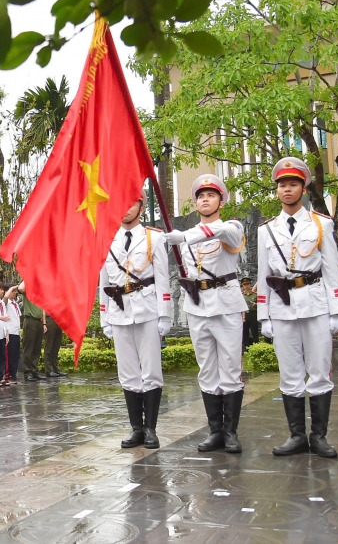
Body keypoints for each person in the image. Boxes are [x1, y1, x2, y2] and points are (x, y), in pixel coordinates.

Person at [256, 157, 338, 458]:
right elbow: (263, 276)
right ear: (277, 191)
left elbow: (332, 268)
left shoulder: (322, 223)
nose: (287, 190)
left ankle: (319, 437)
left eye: (293, 184)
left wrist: (337, 310)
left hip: (316, 303)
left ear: (303, 188)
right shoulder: (266, 230)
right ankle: (296, 436)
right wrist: (263, 315)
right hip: (282, 308)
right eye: (282, 185)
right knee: (289, 373)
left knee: (319, 371)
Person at [166, 175, 247, 454]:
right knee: (207, 370)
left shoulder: (231, 227)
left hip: (226, 304)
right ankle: (215, 431)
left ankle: (231, 432)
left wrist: (184, 237)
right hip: (198, 306)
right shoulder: (185, 238)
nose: (205, 199)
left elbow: (226, 236)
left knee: (230, 369)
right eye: (201, 196)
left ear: (221, 201)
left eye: (211, 195)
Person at [99, 199, 171, 450]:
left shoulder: (154, 238)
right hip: (119, 310)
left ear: (142, 208)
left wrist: (165, 315)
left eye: (132, 203)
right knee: (128, 373)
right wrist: (104, 316)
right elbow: (104, 281)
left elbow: (162, 278)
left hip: (147, 308)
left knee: (151, 370)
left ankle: (151, 429)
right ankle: (136, 429)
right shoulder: (108, 238)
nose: (126, 207)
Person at [17, 282, 47, 381]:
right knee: (29, 347)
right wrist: (28, 277)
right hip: (30, 320)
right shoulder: (28, 292)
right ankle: (27, 371)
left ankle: (34, 371)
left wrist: (44, 324)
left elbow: (42, 309)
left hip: (39, 322)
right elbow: (20, 288)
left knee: (37, 348)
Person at [4, 285, 22, 384]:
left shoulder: (15, 303)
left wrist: (19, 332)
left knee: (16, 355)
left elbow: (17, 319)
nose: (15, 293)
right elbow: (5, 298)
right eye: (13, 291)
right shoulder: (6, 303)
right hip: (9, 332)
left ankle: (14, 374)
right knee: (9, 355)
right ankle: (9, 375)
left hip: (15, 332)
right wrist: (11, 288)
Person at [240, 278, 260, 348]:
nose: (246, 286)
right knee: (245, 331)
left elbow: (262, 304)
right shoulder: (241, 296)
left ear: (250, 284)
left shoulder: (255, 295)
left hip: (253, 314)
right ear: (242, 286)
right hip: (244, 315)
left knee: (254, 331)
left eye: (248, 284)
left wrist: (256, 304)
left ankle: (256, 346)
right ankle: (246, 346)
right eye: (244, 285)